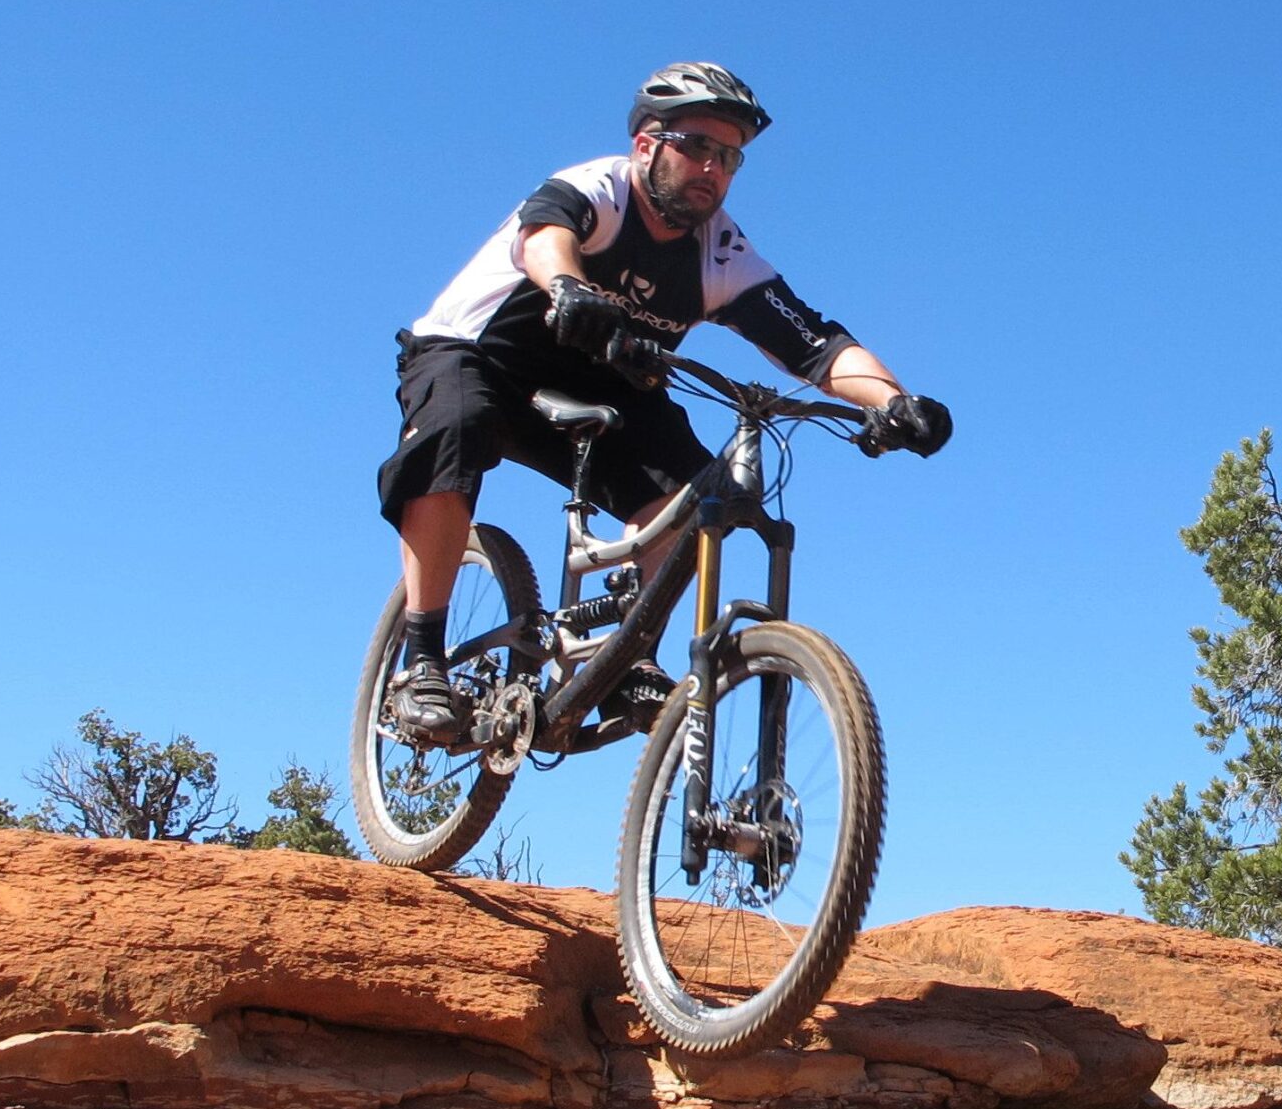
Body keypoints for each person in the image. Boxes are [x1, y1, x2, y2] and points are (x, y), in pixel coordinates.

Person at [376, 61, 950, 741]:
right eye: (699, 146)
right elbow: (546, 235)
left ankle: (628, 657)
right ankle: (422, 661)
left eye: (730, 156)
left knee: (695, 490)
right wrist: (567, 287)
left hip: (602, 384)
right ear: (648, 144)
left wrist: (892, 400)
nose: (715, 168)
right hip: (481, 357)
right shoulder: (602, 188)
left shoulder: (719, 251)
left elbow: (814, 344)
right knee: (457, 429)